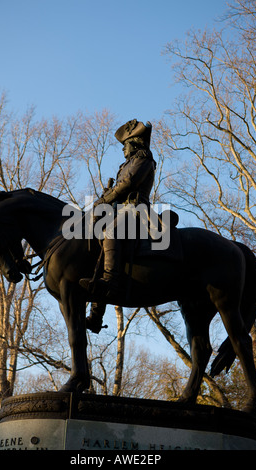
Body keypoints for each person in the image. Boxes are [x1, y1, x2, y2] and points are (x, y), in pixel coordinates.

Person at [79, 119, 156, 332]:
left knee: (110, 229)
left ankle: (110, 282)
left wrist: (104, 200)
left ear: (136, 142)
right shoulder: (127, 163)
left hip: (135, 211)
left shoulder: (143, 159)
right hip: (118, 210)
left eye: (126, 143)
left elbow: (127, 185)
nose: (123, 148)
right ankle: (95, 316)